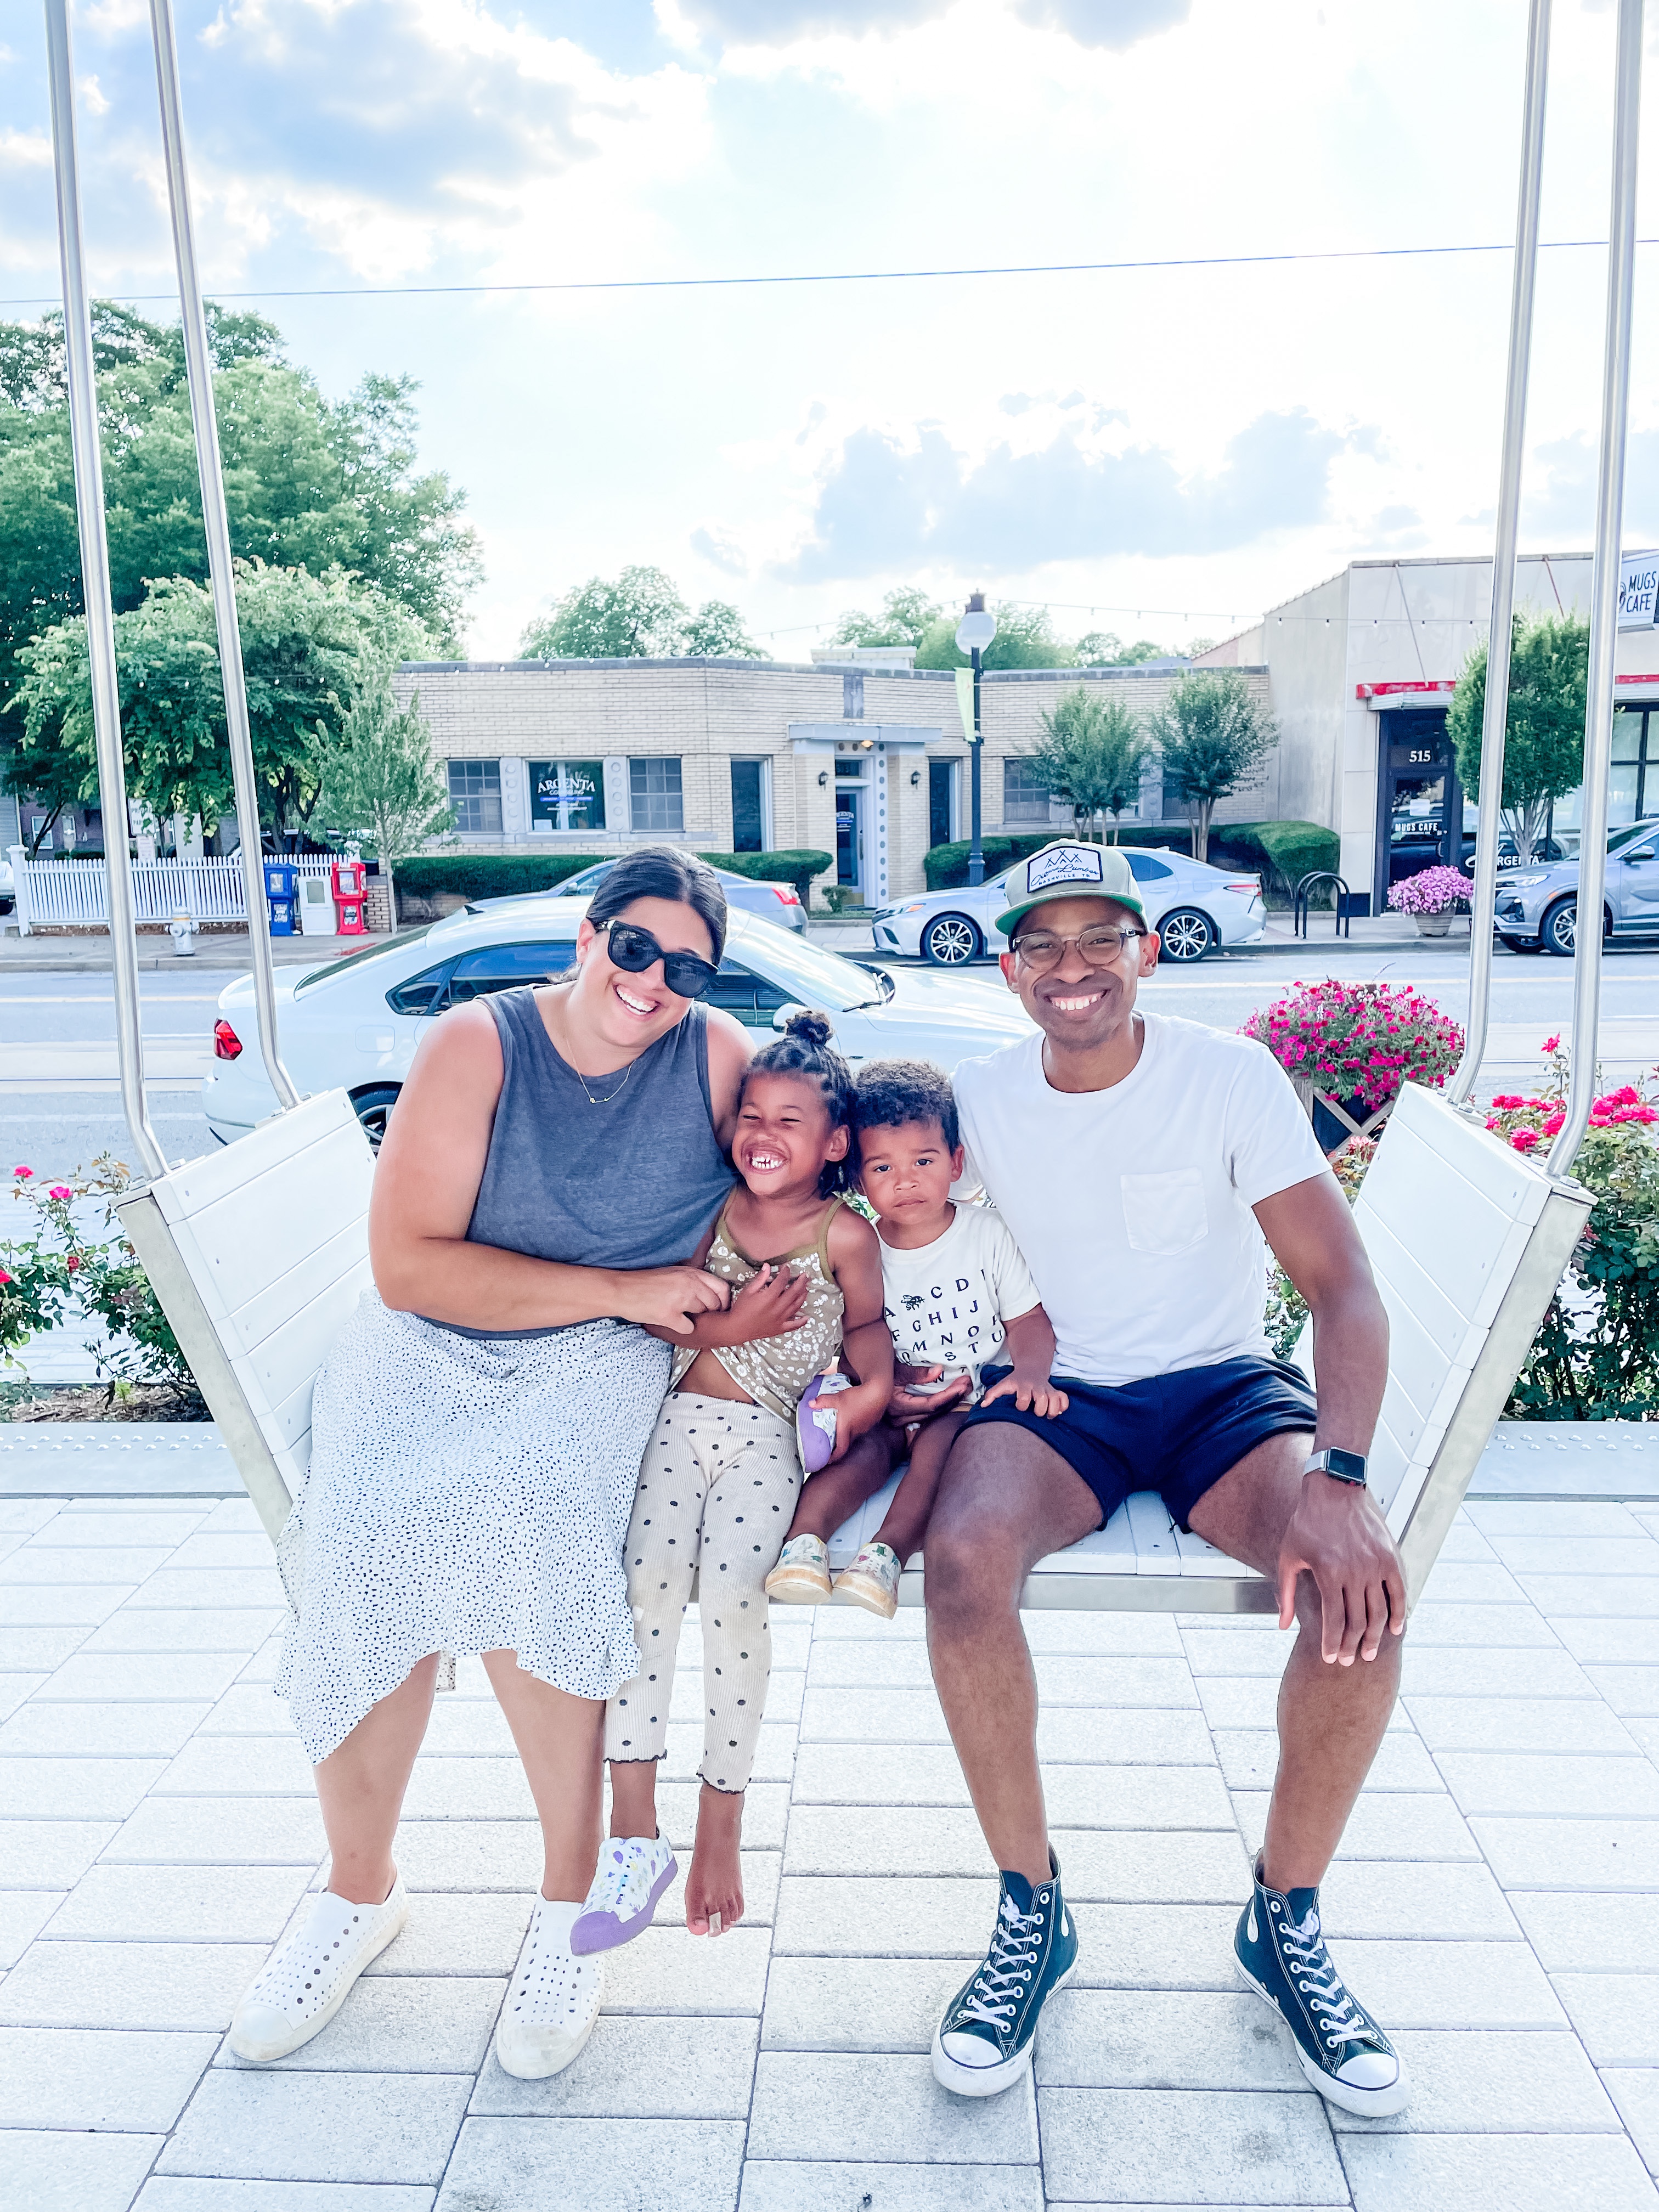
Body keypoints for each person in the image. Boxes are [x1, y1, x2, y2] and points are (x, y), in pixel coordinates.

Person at [228, 848, 751, 2083]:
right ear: (591, 933)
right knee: (357, 1535)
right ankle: (358, 1893)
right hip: (428, 1342)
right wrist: (623, 1283)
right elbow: (411, 1267)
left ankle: (574, 1909)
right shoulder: (479, 1043)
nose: (655, 981)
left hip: (601, 1358)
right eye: (636, 946)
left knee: (534, 1519)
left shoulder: (717, 1055)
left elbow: (788, 1182)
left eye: (686, 966)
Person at [913, 840, 1408, 2120]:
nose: (1072, 968)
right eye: (1044, 947)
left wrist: (1341, 1480)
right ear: (1012, 970)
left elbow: (1344, 1290)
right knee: (963, 1566)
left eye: (1100, 941)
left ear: (1146, 950)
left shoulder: (1230, 1078)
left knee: (1362, 1590)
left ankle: (1285, 1916)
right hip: (1055, 1400)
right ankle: (1033, 1909)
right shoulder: (979, 1098)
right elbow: (887, 1212)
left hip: (1216, 1392)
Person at [587, 1011, 891, 1948]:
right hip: (676, 1417)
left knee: (730, 1596)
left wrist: (870, 1396)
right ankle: (631, 1830)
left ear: (833, 1142)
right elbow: (656, 1316)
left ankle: (722, 1816)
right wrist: (729, 1329)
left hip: (767, 1436)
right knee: (642, 1593)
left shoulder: (844, 1235)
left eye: (788, 1121)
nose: (762, 1135)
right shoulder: (709, 1210)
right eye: (749, 1115)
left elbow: (869, 1337)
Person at [765, 1057, 1066, 1618]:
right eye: (882, 1168)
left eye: (923, 1160)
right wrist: (875, 1385)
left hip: (963, 1403)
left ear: (955, 1163)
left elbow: (1028, 1320)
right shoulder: (861, 1246)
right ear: (858, 1180)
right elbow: (852, 1329)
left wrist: (1031, 1374)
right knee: (856, 1459)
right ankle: (802, 1546)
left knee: (934, 1460)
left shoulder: (987, 1235)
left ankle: (884, 1557)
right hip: (887, 1398)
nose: (905, 1180)